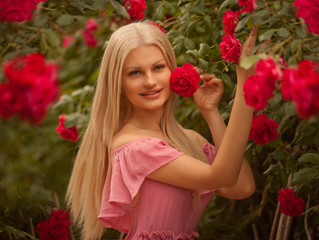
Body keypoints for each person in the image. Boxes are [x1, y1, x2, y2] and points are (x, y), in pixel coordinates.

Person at [66, 21, 263, 240]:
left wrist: (211, 113)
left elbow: (241, 187)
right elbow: (222, 176)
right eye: (135, 73)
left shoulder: (188, 140)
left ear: (172, 69)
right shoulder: (133, 147)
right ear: (118, 82)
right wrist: (246, 83)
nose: (150, 81)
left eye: (158, 67)